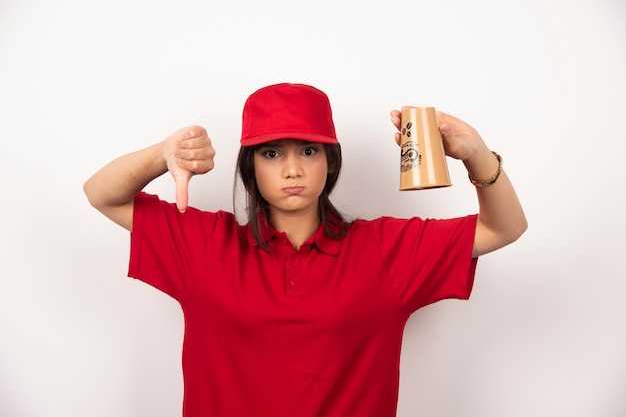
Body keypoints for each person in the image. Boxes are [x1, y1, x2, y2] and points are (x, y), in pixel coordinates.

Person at [83, 82, 527, 417]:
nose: (292, 169)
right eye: (272, 153)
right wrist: (162, 156)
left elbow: (502, 228)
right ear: (250, 166)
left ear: (329, 162)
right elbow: (102, 193)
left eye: (309, 150)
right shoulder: (205, 245)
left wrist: (476, 153)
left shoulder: (384, 250)